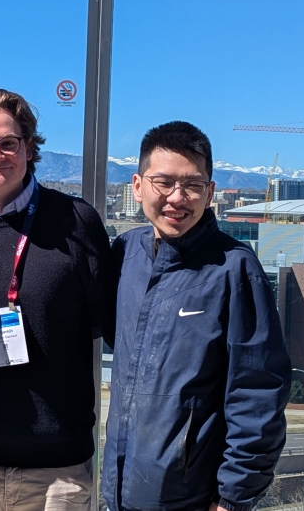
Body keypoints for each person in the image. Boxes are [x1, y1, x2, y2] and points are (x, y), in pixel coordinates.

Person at [0, 89, 115, 511]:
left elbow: (109, 323)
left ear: (29, 148)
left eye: (8, 142)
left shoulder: (76, 220)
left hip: (56, 469)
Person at [102, 122, 290, 511]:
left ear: (211, 192)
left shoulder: (234, 270)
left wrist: (234, 498)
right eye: (164, 182)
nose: (177, 197)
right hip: (119, 491)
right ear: (137, 186)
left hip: (192, 497)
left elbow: (257, 392)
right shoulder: (125, 253)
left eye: (192, 185)